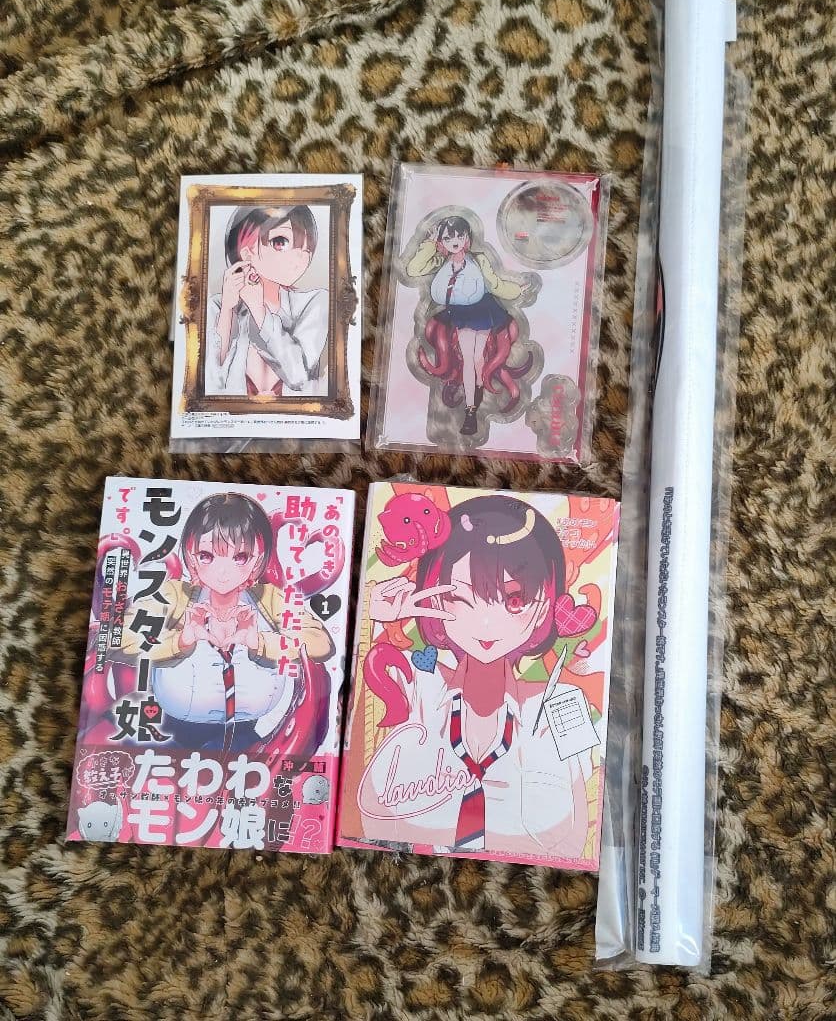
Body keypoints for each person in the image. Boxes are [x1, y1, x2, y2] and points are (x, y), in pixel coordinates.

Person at [359, 495, 591, 859]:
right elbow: (361, 803)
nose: (485, 622)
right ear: (435, 596)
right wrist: (373, 621)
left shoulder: (563, 703)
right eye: (461, 597)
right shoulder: (415, 680)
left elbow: (579, 834)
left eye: (514, 600)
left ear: (545, 603)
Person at [117, 492, 333, 753]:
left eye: (240, 557)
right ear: (191, 554)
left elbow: (320, 642)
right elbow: (120, 639)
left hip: (247, 736)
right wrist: (181, 641)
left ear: (259, 557)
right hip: (171, 735)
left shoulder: (270, 599)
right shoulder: (175, 595)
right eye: (207, 555)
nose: (222, 572)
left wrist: (259, 642)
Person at [406, 216, 535, 435]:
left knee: (477, 359)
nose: (455, 241)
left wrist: (517, 291)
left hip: (482, 311)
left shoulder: (478, 259)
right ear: (442, 241)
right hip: (460, 314)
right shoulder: (441, 262)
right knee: (468, 360)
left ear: (466, 237)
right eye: (448, 237)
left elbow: (495, 284)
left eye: (459, 235)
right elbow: (413, 269)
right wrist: (430, 243)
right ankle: (471, 411)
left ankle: (474, 402)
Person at [206, 205, 329, 397]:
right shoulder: (219, 306)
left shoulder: (315, 303)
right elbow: (209, 382)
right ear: (247, 251)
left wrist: (259, 310)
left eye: (307, 248)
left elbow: (297, 376)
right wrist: (227, 311)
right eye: (281, 242)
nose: (301, 256)